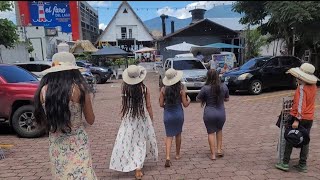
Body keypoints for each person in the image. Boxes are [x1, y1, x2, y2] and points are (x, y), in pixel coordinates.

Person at [34, 52, 97, 179]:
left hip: (56, 144)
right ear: (73, 70)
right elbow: (90, 120)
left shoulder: (43, 91)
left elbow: (45, 120)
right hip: (78, 143)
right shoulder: (79, 89)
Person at [109, 65, 158, 179]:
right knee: (140, 142)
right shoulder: (145, 89)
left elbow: (124, 105)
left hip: (129, 116)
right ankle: (138, 168)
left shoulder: (125, 89)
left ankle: (131, 163)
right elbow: (149, 106)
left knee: (128, 141)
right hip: (142, 116)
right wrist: (151, 119)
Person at [275, 63, 318, 173]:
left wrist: (296, 120)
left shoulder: (302, 89)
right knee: (305, 140)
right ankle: (303, 164)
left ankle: (284, 163)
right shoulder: (314, 87)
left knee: (290, 138)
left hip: (300, 118)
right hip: (309, 118)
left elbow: (300, 105)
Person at [159, 68, 191, 168]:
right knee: (178, 134)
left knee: (169, 136)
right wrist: (189, 100)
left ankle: (168, 156)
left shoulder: (163, 89)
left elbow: (160, 104)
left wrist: (166, 106)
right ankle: (177, 154)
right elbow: (185, 104)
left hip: (168, 114)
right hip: (178, 114)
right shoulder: (181, 88)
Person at [196, 69, 229, 160]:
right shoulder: (224, 86)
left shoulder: (205, 88)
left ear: (208, 77)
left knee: (211, 133)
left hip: (209, 112)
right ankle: (219, 150)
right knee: (219, 130)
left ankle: (213, 154)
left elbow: (198, 99)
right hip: (221, 112)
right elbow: (227, 99)